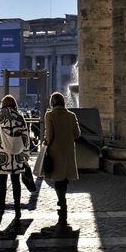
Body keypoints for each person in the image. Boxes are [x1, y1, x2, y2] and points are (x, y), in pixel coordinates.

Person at [0, 94, 30, 220]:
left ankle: (2, 206)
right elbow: (25, 136)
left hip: (2, 153)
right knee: (16, 181)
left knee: (2, 180)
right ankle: (17, 209)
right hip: (17, 153)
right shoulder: (20, 116)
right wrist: (25, 152)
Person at [43, 91, 81, 226]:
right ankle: (62, 201)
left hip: (55, 150)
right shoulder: (71, 115)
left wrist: (45, 143)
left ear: (52, 103)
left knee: (58, 178)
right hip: (68, 150)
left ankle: (62, 203)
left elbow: (49, 136)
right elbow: (77, 134)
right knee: (64, 176)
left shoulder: (50, 115)